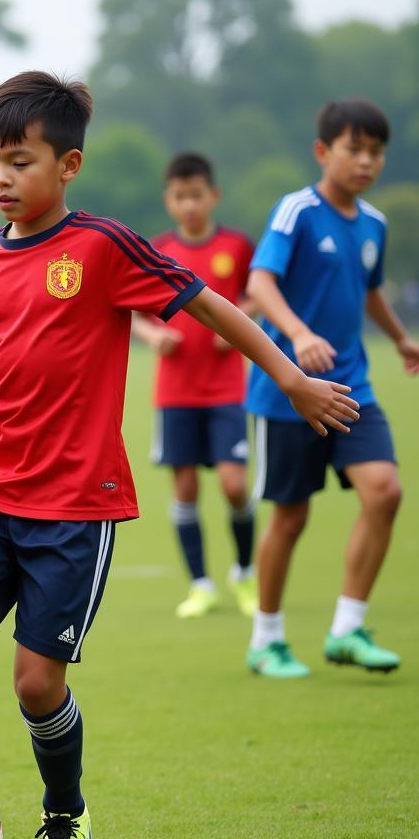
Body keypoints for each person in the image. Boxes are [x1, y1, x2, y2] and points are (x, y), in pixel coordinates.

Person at [0, 71, 358, 839]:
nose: (0, 178)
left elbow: (209, 303)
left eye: (19, 161)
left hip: (74, 503)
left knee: (36, 683)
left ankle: (64, 814)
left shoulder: (101, 247)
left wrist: (290, 377)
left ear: (68, 166)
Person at [245, 99, 418, 679]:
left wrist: (400, 338)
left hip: (353, 387)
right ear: (324, 152)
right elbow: (260, 281)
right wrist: (297, 334)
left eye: (376, 152)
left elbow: (368, 290)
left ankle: (347, 628)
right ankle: (266, 639)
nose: (367, 161)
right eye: (355, 149)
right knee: (290, 518)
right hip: (288, 393)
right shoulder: (296, 211)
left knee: (384, 491)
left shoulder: (374, 223)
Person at [131, 153, 257, 619]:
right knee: (184, 488)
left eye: (196, 196)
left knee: (233, 484)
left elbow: (257, 293)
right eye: (180, 197)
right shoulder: (157, 250)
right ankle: (201, 584)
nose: (189, 205)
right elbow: (134, 311)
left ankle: (245, 573)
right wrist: (154, 334)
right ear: (169, 200)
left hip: (226, 389)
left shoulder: (238, 246)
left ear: (213, 196)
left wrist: (238, 324)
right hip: (176, 391)